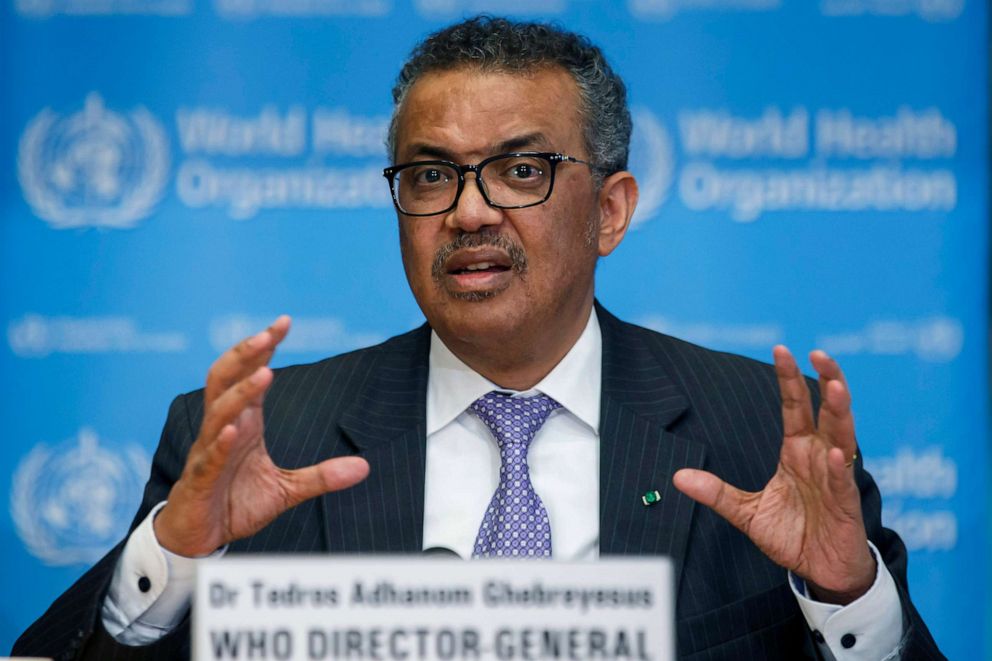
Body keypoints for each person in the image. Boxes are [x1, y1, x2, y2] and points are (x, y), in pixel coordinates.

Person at [14, 16, 944, 661]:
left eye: (521, 170)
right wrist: (177, 556)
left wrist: (845, 595)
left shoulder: (759, 433)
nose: (467, 212)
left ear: (610, 210)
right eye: (430, 175)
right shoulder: (268, 437)